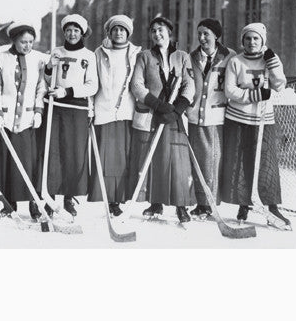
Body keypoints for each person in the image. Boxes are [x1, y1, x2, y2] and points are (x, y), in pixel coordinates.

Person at [221, 22, 291, 226]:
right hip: (238, 118)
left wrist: (273, 64)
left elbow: (279, 85)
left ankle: (272, 207)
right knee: (242, 161)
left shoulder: (271, 59)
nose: (252, 42)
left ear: (263, 41)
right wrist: (256, 94)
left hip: (264, 119)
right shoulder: (236, 62)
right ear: (243, 41)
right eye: (248, 38)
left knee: (267, 162)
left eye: (256, 39)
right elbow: (230, 91)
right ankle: (244, 204)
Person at [129, 16, 195, 224]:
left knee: (178, 162)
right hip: (152, 116)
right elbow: (137, 85)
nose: (157, 34)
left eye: (161, 30)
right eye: (153, 31)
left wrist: (177, 110)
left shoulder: (182, 56)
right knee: (155, 160)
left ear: (169, 32)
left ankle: (181, 206)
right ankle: (155, 202)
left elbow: (189, 84)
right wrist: (158, 105)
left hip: (174, 117)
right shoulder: (144, 57)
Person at [0, 22, 48, 220]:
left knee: (29, 163)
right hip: (6, 119)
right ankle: (8, 205)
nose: (27, 46)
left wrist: (39, 110)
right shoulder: (2, 57)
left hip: (28, 120)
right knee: (7, 163)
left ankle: (34, 203)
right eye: (23, 42)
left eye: (31, 42)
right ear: (14, 40)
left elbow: (42, 86)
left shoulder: (39, 59)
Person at [43, 14, 98, 217]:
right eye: (68, 30)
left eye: (76, 30)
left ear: (82, 33)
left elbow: (92, 85)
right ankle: (49, 198)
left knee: (74, 154)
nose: (72, 34)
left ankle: (69, 197)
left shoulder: (89, 55)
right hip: (55, 107)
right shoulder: (57, 51)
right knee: (53, 152)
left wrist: (68, 92)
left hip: (76, 109)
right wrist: (50, 66)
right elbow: (48, 78)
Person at [88, 15, 141, 216]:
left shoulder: (136, 53)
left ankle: (119, 198)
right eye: (115, 29)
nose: (119, 33)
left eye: (123, 30)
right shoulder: (99, 53)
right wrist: (91, 108)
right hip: (104, 110)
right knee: (106, 157)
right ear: (109, 32)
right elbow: (94, 83)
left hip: (127, 112)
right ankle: (108, 198)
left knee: (123, 158)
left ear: (128, 32)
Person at [187, 19, 236, 219]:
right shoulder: (192, 57)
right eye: (199, 33)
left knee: (212, 161)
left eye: (206, 33)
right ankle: (200, 203)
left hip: (217, 117)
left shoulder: (230, 56)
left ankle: (209, 203)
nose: (202, 37)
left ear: (216, 35)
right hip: (195, 116)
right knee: (198, 161)